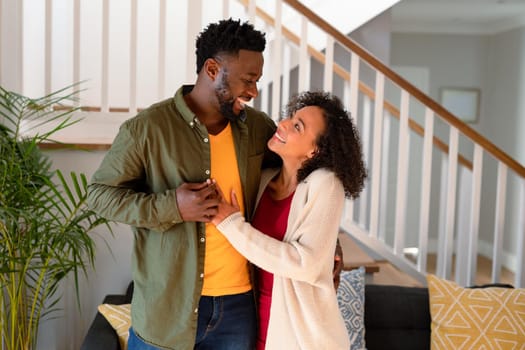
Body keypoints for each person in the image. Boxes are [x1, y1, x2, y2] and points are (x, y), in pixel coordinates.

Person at [88, 19, 343, 350]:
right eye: (247, 80)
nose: (253, 92)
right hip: (168, 311)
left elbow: (298, 181)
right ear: (211, 69)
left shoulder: (257, 129)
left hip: (238, 311)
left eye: (256, 81)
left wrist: (327, 243)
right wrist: (172, 207)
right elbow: (99, 197)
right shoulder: (147, 129)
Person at [211, 91, 367, 350]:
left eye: (297, 126)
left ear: (314, 150)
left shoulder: (325, 184)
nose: (282, 124)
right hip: (253, 328)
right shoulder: (262, 180)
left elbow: (305, 265)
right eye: (290, 118)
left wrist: (231, 224)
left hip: (301, 339)